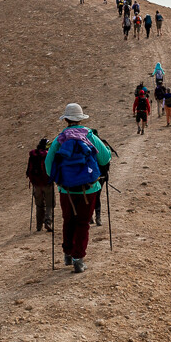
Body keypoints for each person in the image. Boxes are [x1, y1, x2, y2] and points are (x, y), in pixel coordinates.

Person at [46, 104, 112, 273]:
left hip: (66, 190)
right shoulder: (89, 136)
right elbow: (105, 159)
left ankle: (68, 254)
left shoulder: (60, 139)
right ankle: (78, 259)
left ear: (66, 120)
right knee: (83, 223)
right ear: (81, 119)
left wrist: (60, 180)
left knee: (68, 221)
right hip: (88, 189)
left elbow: (48, 164)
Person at [25, 138, 54, 232]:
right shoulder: (47, 155)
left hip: (36, 184)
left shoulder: (33, 155)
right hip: (47, 183)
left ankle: (39, 226)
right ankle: (48, 222)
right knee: (50, 204)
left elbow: (28, 170)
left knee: (39, 205)